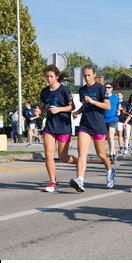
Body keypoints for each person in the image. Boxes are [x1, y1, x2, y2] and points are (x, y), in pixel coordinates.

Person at [70, 64, 116, 192]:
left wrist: (93, 101)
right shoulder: (82, 90)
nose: (87, 78)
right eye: (85, 75)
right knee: (82, 153)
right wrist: (77, 112)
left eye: (89, 75)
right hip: (85, 124)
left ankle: (110, 171)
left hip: (98, 125)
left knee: (101, 154)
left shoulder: (100, 88)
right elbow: (85, 105)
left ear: (94, 74)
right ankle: (80, 179)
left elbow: (107, 106)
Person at [39, 64, 79, 192]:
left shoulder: (64, 90)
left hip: (63, 126)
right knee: (48, 155)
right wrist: (39, 111)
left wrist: (59, 109)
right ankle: (53, 182)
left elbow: (71, 107)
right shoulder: (45, 92)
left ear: (56, 76)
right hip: (50, 127)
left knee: (63, 157)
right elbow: (43, 106)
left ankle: (79, 162)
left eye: (51, 76)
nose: (49, 79)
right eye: (47, 77)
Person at [104, 83, 121, 163]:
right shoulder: (102, 97)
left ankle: (111, 155)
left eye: (108, 87)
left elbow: (119, 107)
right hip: (104, 119)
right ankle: (114, 153)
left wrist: (119, 111)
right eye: (106, 87)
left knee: (111, 136)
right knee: (108, 138)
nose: (107, 88)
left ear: (112, 88)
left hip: (113, 118)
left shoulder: (115, 97)